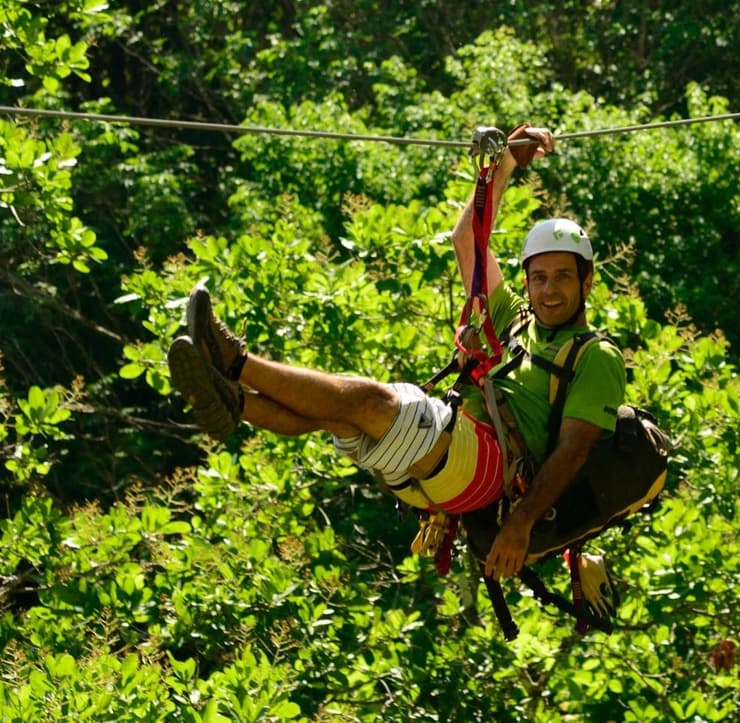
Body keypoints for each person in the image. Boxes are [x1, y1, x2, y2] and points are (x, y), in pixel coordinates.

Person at [167, 126, 626, 584]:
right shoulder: (514, 317)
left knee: (370, 402)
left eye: (563, 277)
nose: (549, 289)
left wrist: (520, 524)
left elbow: (573, 451)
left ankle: (234, 360)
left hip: (486, 467)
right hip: (443, 465)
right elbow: (468, 239)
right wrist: (504, 163)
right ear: (526, 281)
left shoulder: (594, 355)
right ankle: (233, 401)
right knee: (338, 417)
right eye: (540, 277)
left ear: (587, 283)